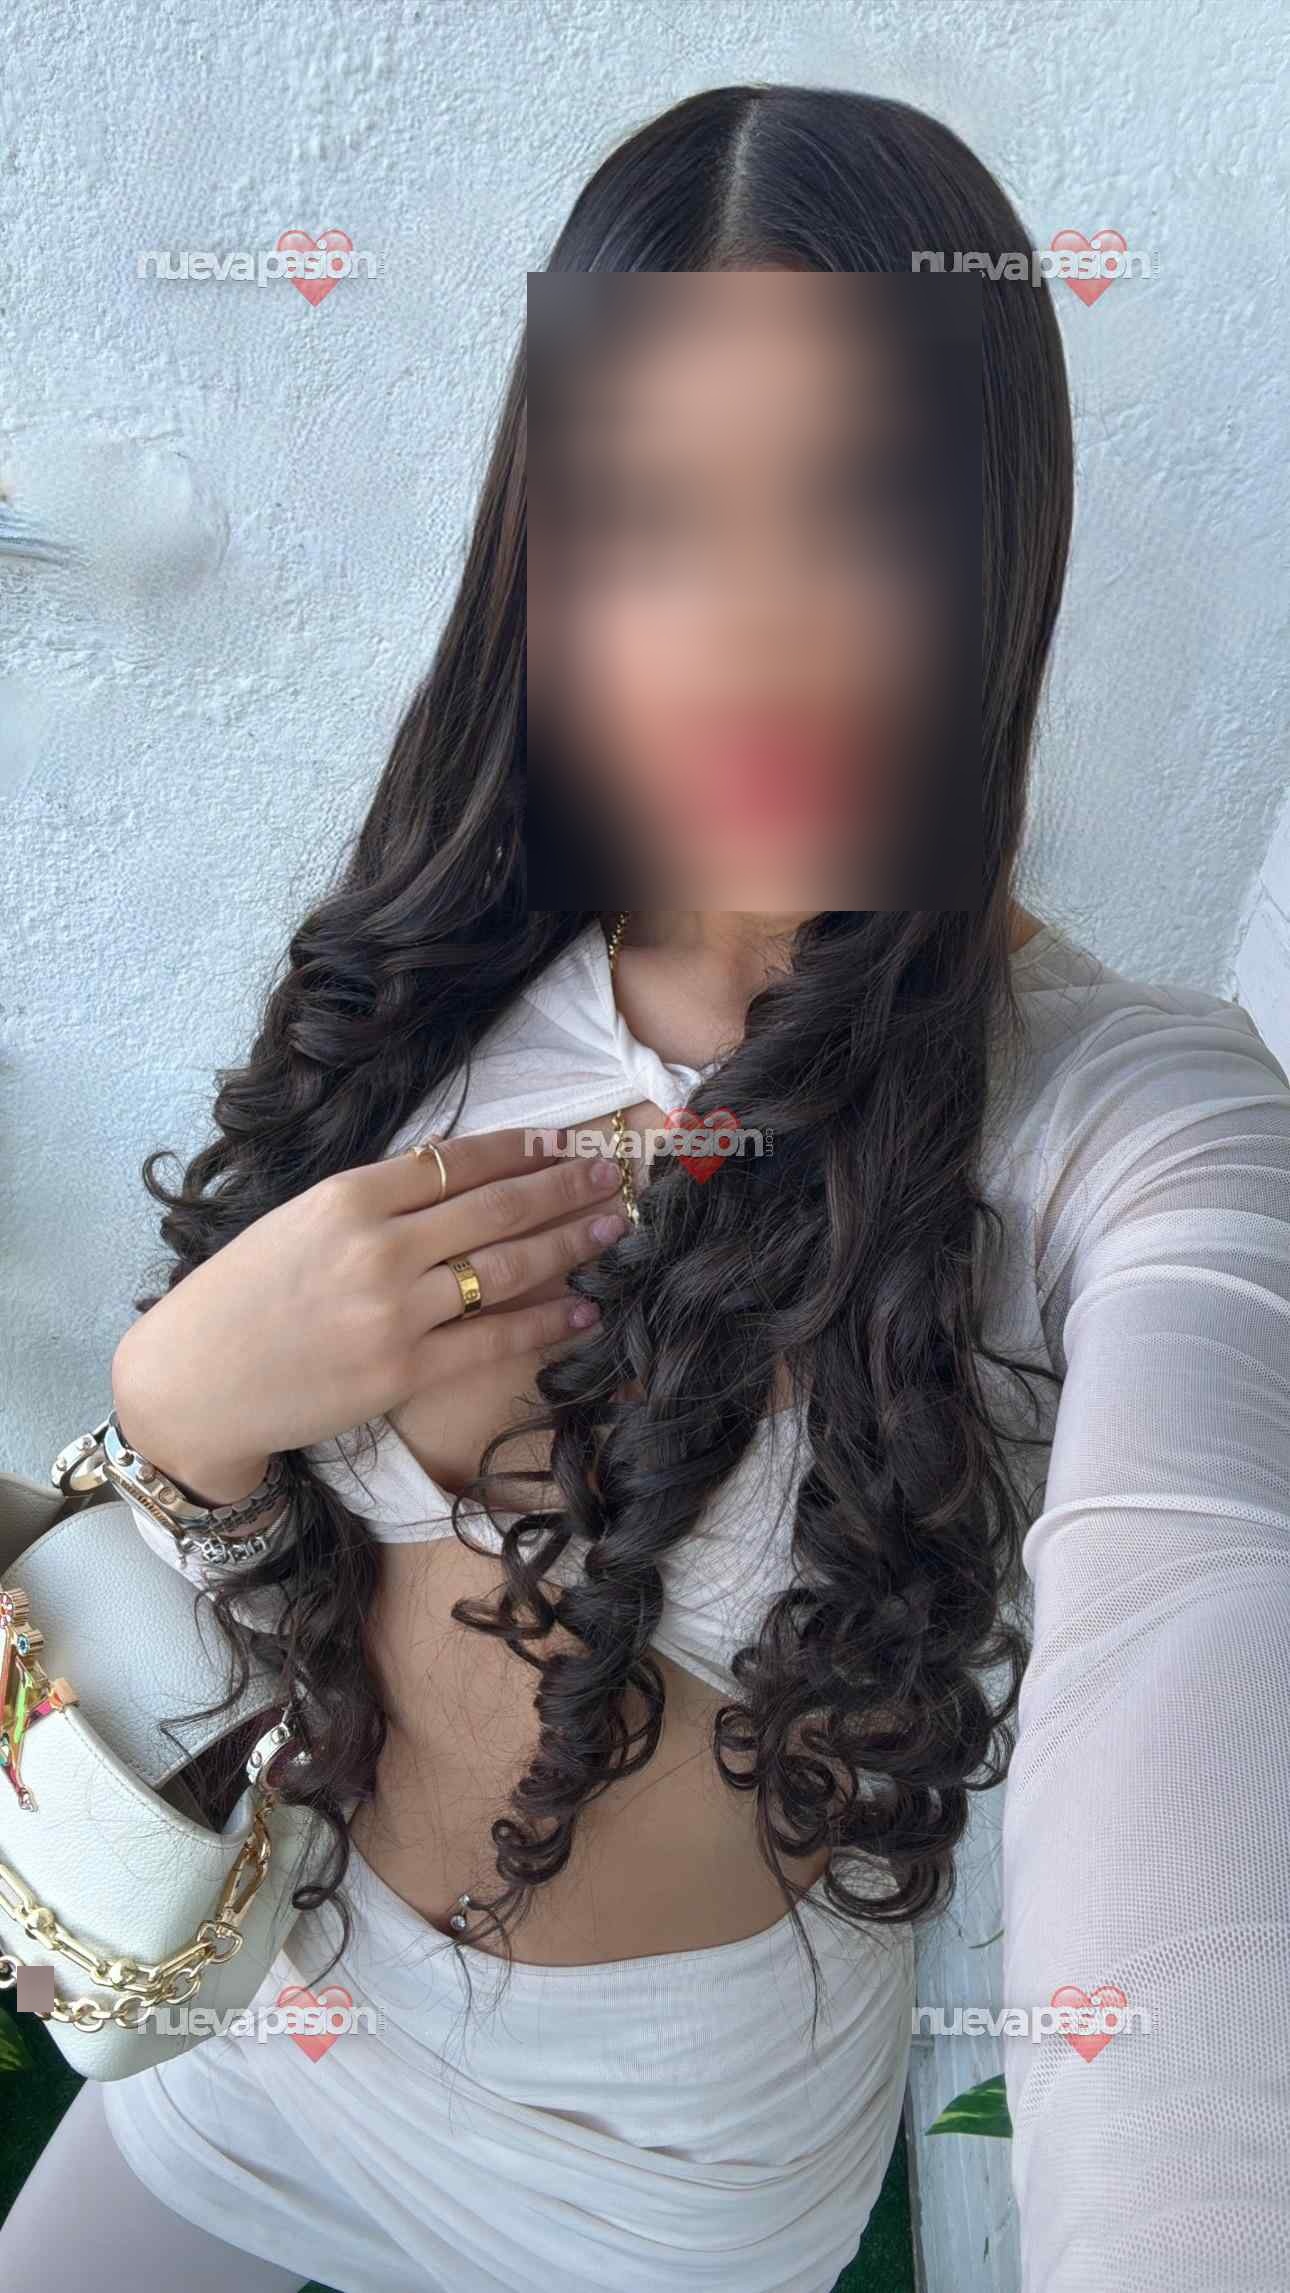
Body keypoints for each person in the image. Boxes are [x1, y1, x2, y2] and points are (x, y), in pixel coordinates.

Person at [4, 84, 1288, 2293]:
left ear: (1001, 538)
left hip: (661, 2174)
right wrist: (178, 1409)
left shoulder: (1123, 1116)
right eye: (649, 518)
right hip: (280, 2017)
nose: (751, 627)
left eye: (858, 510)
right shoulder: (442, 970)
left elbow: (1205, 1618)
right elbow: (224, 1569)